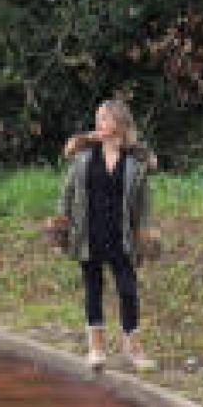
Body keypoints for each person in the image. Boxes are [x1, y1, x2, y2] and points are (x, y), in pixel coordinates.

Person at [57, 99, 157, 372]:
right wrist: (61, 226)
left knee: (128, 290)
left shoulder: (135, 164)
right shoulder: (83, 158)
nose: (99, 123)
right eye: (98, 118)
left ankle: (133, 350)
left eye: (104, 118)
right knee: (93, 288)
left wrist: (144, 233)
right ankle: (97, 348)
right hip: (88, 233)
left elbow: (143, 204)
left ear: (119, 124)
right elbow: (66, 194)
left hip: (120, 236)